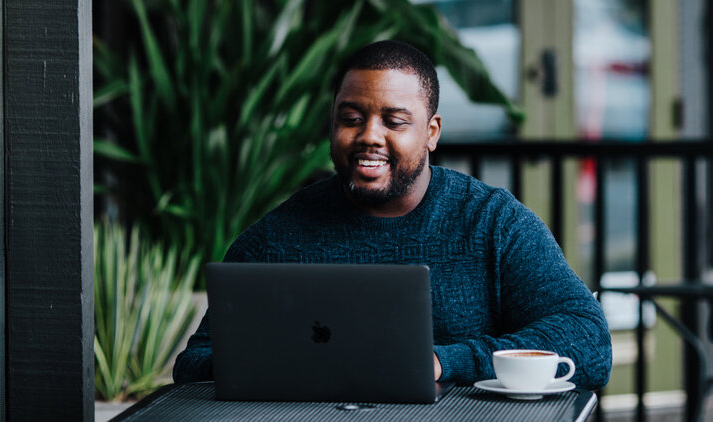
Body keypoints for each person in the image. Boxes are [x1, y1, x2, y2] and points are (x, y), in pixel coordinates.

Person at [173, 40, 612, 390]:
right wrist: (288, 361)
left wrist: (442, 361)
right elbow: (194, 362)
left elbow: (589, 339)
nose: (369, 136)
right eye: (351, 118)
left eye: (394, 121)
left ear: (431, 133)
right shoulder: (275, 237)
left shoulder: (493, 223)